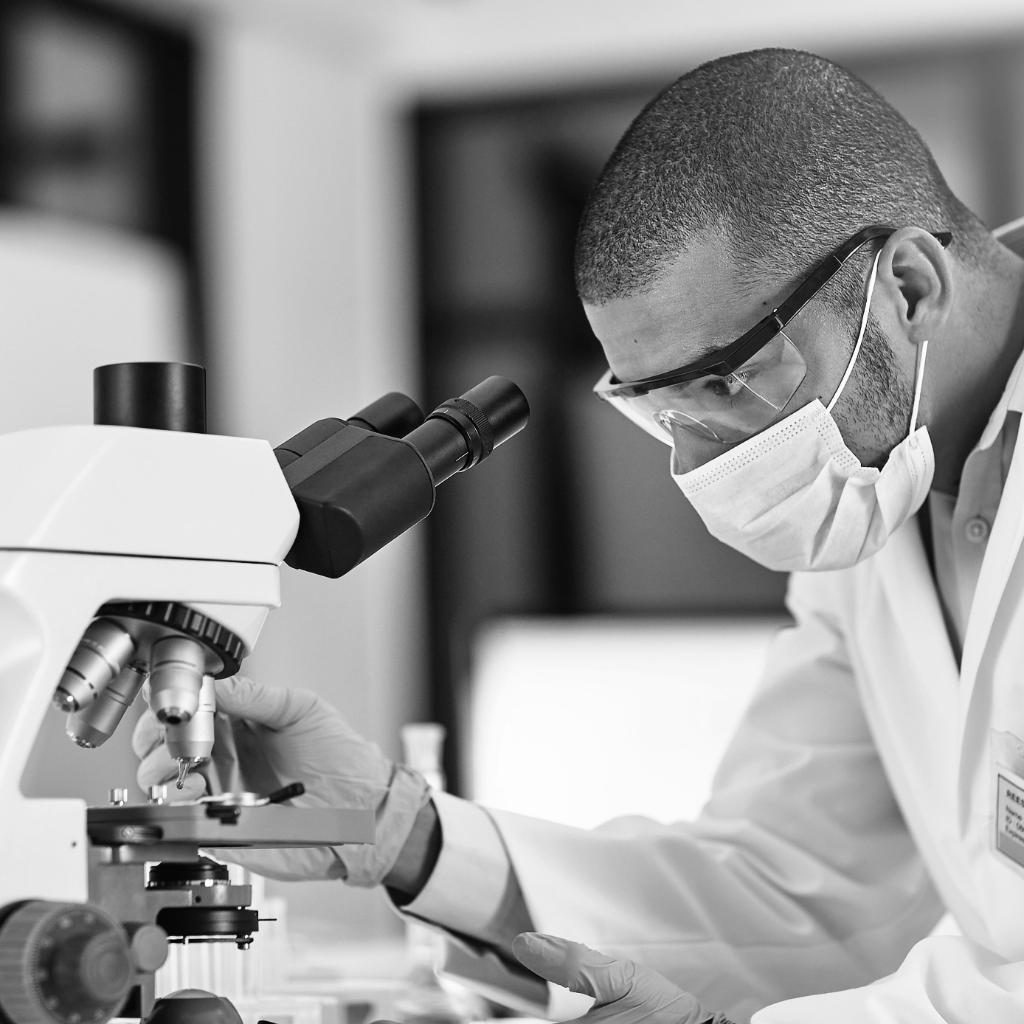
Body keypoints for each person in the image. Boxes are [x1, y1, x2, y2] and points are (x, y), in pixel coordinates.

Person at [136, 48, 1024, 1022]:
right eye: (657, 408)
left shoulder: (865, 468)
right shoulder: (874, 497)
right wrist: (396, 830)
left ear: (908, 287)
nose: (695, 462)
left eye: (725, 382)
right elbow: (792, 891)